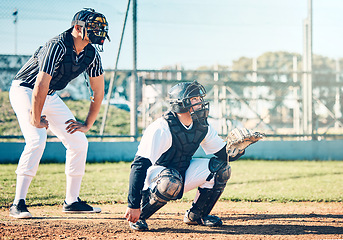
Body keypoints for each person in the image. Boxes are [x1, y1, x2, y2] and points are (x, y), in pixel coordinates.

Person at [8, 8, 110, 219]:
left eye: (100, 27)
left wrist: (87, 124)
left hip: (50, 95)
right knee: (36, 139)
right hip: (25, 89)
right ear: (77, 27)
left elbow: (98, 92)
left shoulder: (91, 53)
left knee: (79, 141)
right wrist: (35, 118)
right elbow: (40, 84)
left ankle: (71, 201)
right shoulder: (57, 45)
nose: (98, 30)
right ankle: (18, 202)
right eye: (93, 26)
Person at [124, 81, 245, 231]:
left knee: (221, 168)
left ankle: (197, 215)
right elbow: (139, 166)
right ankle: (139, 216)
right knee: (170, 181)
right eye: (194, 99)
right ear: (181, 103)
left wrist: (239, 148)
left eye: (200, 99)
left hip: (180, 172)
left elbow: (224, 154)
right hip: (154, 179)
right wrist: (133, 205)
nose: (200, 103)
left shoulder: (202, 126)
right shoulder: (161, 127)